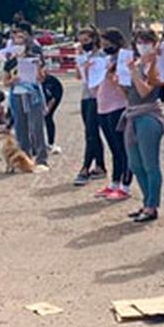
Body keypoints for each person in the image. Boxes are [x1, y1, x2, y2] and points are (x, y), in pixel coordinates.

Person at [121, 28, 164, 225]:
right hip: (132, 114)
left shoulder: (156, 66)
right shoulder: (137, 62)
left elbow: (145, 91)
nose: (142, 44)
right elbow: (130, 95)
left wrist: (133, 72)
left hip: (149, 115)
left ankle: (152, 205)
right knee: (135, 163)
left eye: (147, 41)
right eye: (139, 41)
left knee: (150, 164)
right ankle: (146, 200)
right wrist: (119, 82)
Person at [2, 23, 49, 166]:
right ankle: (24, 157)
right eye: (16, 39)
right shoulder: (10, 62)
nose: (19, 41)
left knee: (37, 127)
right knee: (20, 128)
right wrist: (12, 80)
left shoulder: (35, 57)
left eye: (22, 38)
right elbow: (5, 81)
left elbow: (42, 77)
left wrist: (38, 73)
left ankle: (41, 158)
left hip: (33, 94)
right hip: (17, 94)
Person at [95, 28, 132, 202]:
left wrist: (114, 74)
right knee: (113, 148)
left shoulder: (123, 60)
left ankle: (125, 185)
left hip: (118, 106)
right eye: (103, 43)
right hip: (103, 105)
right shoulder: (105, 59)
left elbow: (125, 82)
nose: (105, 47)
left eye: (108, 43)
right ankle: (114, 183)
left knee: (122, 148)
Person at [73, 27, 108, 186]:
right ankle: (100, 165)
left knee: (91, 132)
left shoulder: (101, 55)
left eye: (86, 41)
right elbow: (79, 76)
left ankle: (85, 167)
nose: (83, 44)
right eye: (81, 42)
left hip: (97, 96)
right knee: (91, 131)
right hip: (86, 96)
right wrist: (80, 64)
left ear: (94, 39)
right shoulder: (83, 55)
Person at [41, 68, 65, 152]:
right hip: (40, 99)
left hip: (53, 98)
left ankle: (51, 142)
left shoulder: (52, 82)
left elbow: (54, 98)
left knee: (48, 117)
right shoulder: (33, 80)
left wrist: (48, 108)